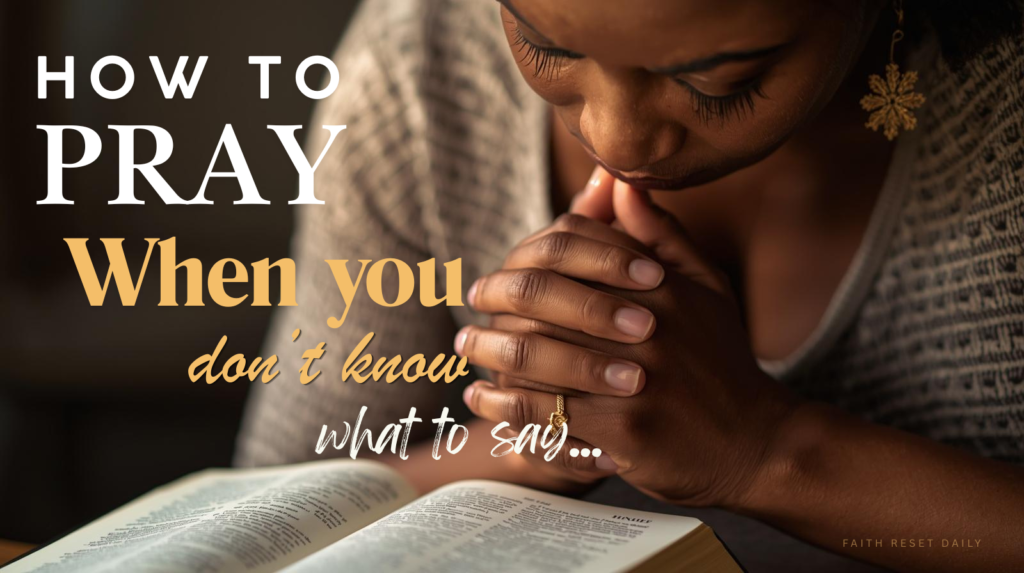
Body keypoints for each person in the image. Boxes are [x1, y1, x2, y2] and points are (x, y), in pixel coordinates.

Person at [235, 0, 1024, 570]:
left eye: (721, 81)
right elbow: (267, 512)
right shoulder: (426, 64)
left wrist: (764, 451)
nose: (615, 135)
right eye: (544, 46)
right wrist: (536, 437)